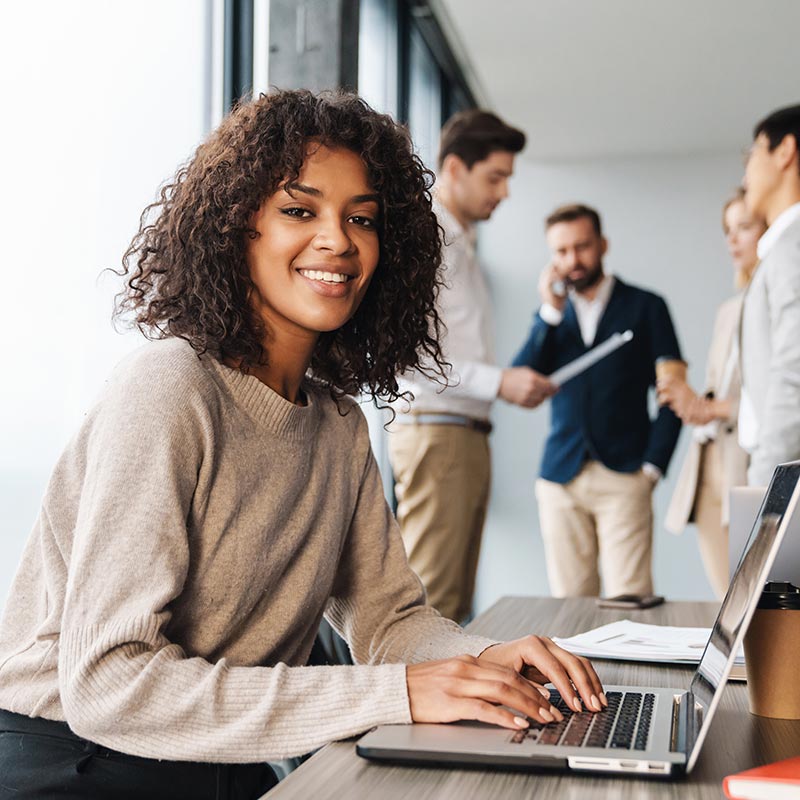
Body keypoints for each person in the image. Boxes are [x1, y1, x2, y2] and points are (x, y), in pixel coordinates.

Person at [0, 90, 605, 799]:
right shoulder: (168, 387)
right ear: (238, 227)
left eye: (362, 219)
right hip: (79, 761)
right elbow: (109, 683)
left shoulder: (338, 426)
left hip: (224, 759)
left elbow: (390, 620)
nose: (339, 241)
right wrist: (397, 694)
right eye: (299, 210)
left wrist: (486, 660)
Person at [388, 110, 555, 624]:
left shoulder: (460, 242)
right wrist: (499, 381)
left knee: (452, 605)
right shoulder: (432, 238)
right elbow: (409, 356)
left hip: (461, 433)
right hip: (440, 433)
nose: (504, 192)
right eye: (495, 177)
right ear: (455, 169)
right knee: (432, 604)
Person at [512, 204, 682, 598]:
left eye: (582, 246)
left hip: (625, 474)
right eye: (561, 251)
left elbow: (673, 392)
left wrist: (653, 467)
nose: (573, 260)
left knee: (630, 599)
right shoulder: (552, 317)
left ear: (602, 245)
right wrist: (549, 314)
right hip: (560, 477)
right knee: (569, 604)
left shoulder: (646, 306)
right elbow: (520, 381)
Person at [660, 189, 766, 600]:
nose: (732, 240)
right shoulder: (729, 310)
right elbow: (720, 389)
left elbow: (781, 400)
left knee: (761, 604)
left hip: (751, 465)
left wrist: (709, 407)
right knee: (728, 601)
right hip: (707, 469)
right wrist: (689, 401)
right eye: (727, 230)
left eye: (744, 227)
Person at [738, 104, 800, 487]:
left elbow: (794, 373)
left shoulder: (793, 248)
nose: (745, 173)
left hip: (785, 477)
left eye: (751, 154)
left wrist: (765, 488)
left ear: (784, 151)